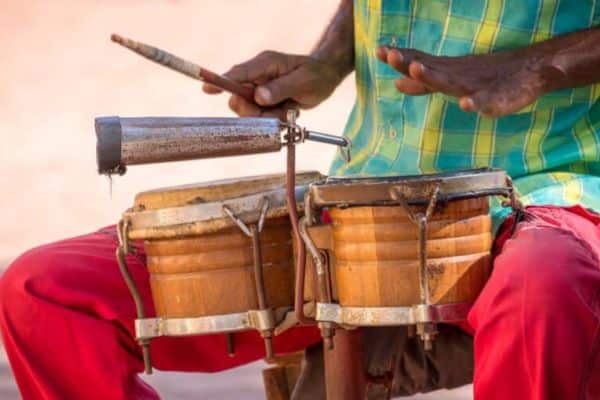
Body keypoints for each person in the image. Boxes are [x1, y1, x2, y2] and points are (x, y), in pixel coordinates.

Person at [2, 0, 600, 399]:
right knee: (44, 292)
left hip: (545, 185)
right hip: (356, 193)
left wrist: (537, 66)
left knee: (543, 287)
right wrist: (325, 63)